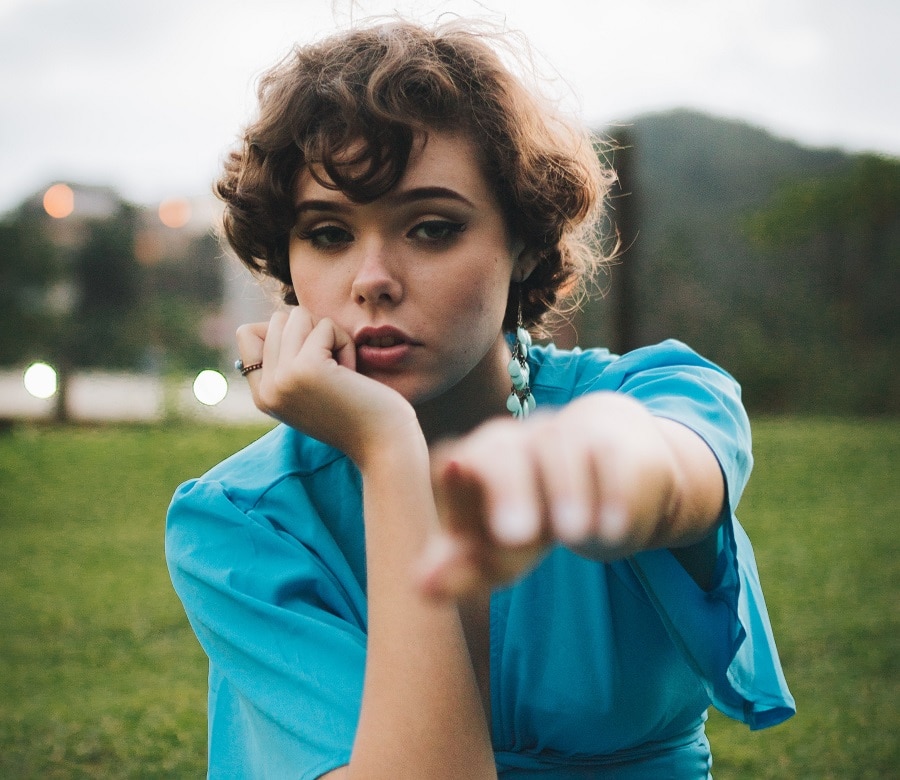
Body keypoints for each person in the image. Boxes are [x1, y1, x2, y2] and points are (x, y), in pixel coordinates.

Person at [165, 18, 794, 779]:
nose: (372, 279)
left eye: (431, 228)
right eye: (328, 234)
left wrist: (583, 472)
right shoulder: (240, 520)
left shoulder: (656, 393)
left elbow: (660, 478)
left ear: (523, 240)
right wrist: (387, 446)